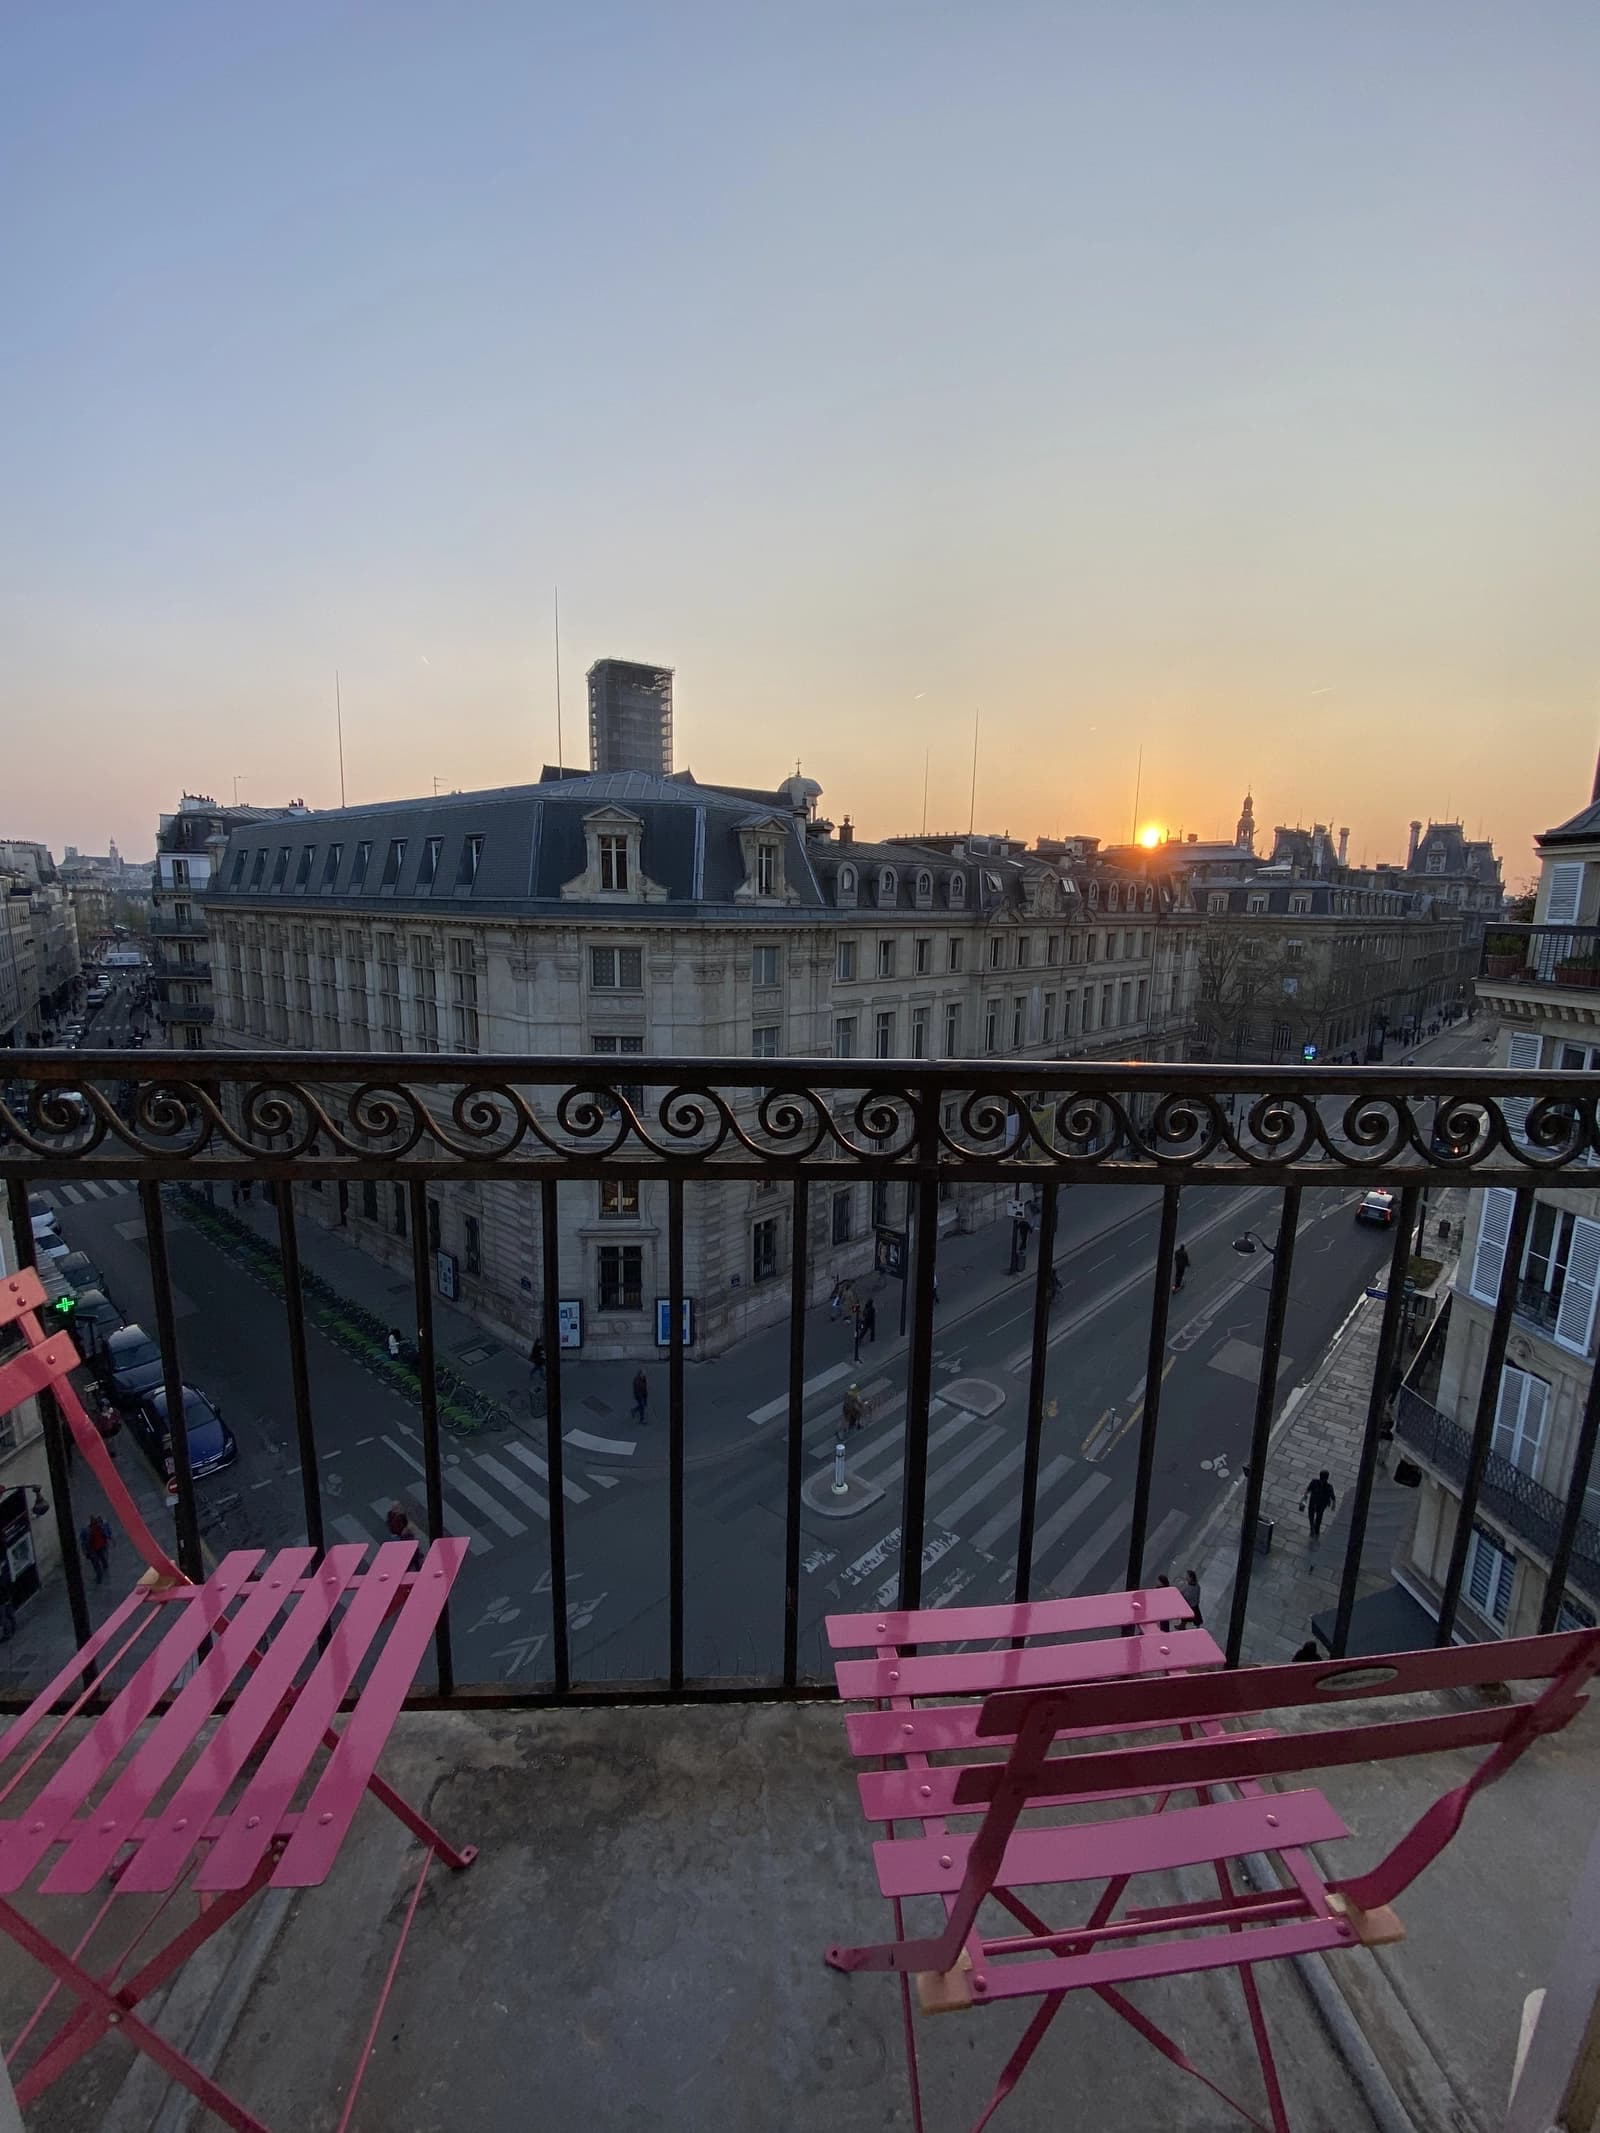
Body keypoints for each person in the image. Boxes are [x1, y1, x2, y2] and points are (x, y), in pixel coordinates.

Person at [1301, 1469, 1337, 1539]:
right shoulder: (1314, 1482)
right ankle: (1312, 1527)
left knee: (1319, 1518)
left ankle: (1316, 1529)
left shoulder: (1329, 1487)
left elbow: (1333, 1497)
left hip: (1321, 1505)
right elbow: (1308, 1489)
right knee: (1311, 1515)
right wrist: (1304, 1496)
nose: (1322, 1480)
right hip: (1313, 1502)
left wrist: (1333, 1504)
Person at [81, 1514, 112, 1586]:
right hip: (100, 1546)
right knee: (102, 1558)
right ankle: (104, 1567)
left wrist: (85, 1551)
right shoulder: (101, 1526)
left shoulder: (87, 1530)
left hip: (94, 1549)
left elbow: (84, 1542)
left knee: (96, 1563)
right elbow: (107, 1533)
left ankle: (99, 1576)